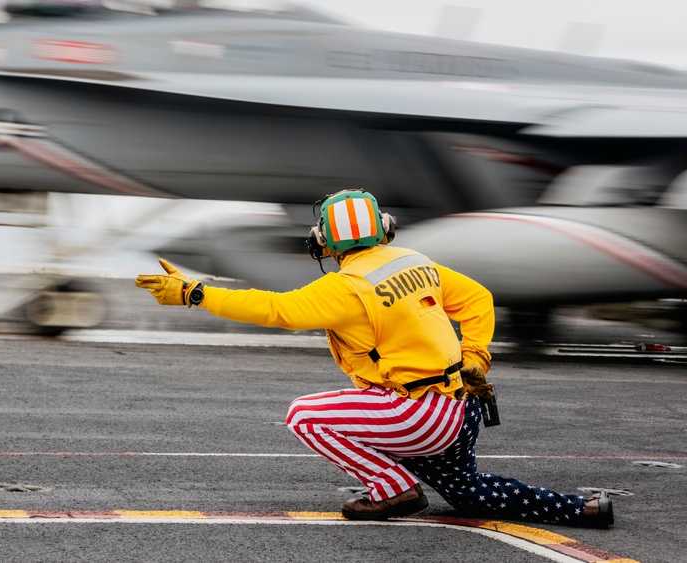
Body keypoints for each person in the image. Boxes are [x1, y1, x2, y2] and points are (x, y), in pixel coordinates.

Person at [135, 189, 613, 528]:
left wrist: (195, 293)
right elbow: (478, 299)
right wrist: (475, 355)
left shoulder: (346, 287)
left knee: (304, 416)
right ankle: (581, 508)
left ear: (325, 241)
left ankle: (392, 490)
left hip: (418, 414)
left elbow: (276, 309)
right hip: (460, 406)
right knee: (469, 491)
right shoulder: (414, 261)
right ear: (384, 229)